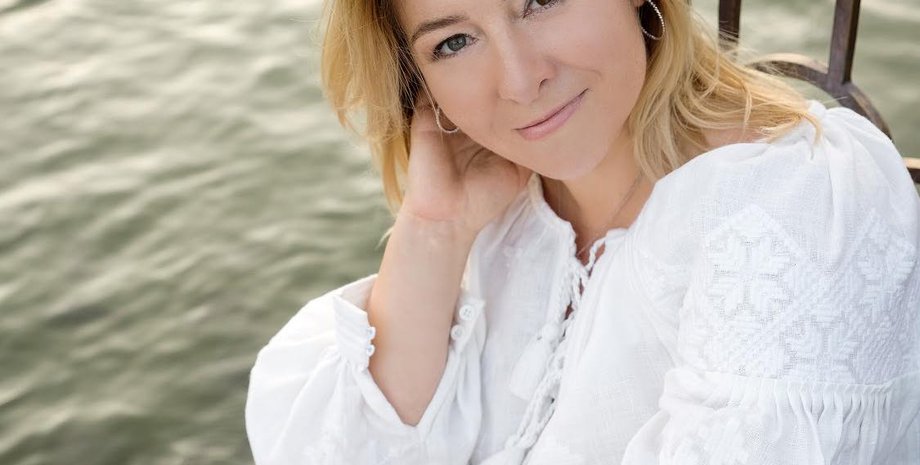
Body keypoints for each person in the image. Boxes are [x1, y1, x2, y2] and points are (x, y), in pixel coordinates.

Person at [244, 0, 920, 462]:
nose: (520, 81)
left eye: (541, 0)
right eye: (454, 42)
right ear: (422, 86)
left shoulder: (789, 206)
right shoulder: (506, 217)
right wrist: (432, 230)